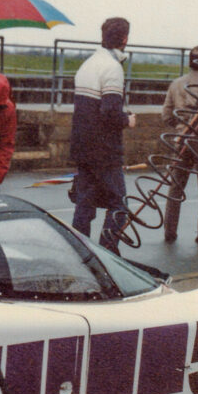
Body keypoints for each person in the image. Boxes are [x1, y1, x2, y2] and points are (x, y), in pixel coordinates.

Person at [69, 17, 136, 254]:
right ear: (125, 39)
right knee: (119, 204)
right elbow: (109, 112)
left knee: (84, 203)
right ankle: (108, 253)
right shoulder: (112, 68)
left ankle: (81, 251)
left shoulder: (88, 64)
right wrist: (127, 120)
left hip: (82, 147)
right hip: (105, 151)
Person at [162, 44, 198, 246]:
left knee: (175, 186)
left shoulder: (177, 84)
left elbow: (166, 115)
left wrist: (179, 127)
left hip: (180, 139)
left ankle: (169, 230)